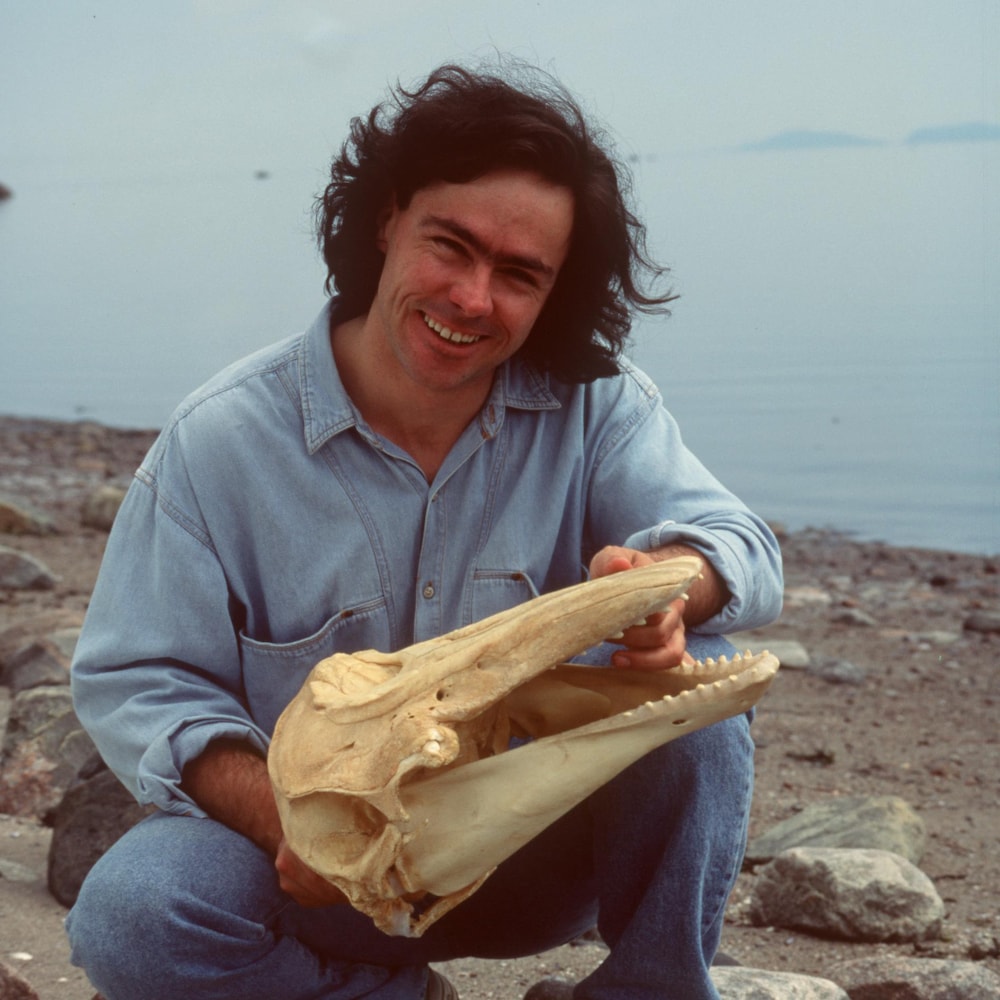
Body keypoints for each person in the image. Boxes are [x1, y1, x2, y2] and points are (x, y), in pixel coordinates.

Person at [67, 61, 783, 1000]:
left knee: (700, 685)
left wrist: (665, 593)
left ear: (555, 290)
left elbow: (741, 545)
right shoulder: (222, 441)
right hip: (312, 879)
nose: (473, 299)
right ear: (386, 220)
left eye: (518, 275)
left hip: (525, 860)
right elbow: (139, 683)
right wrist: (296, 827)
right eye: (451, 246)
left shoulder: (596, 410)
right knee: (133, 914)